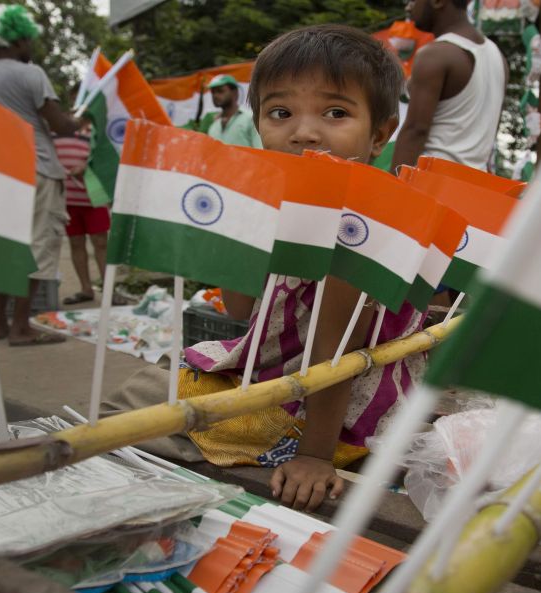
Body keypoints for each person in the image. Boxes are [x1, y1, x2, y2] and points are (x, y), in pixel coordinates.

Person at [175, 25, 423, 512]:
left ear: (378, 135)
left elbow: (336, 354)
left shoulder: (359, 227)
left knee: (190, 412)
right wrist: (239, 237)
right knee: (183, 380)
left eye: (335, 113)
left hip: (344, 390)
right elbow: (246, 309)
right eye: (281, 113)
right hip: (291, 364)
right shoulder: (284, 208)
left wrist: (315, 456)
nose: (304, 132)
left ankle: (315, 444)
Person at [0, 3, 82, 346]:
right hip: (37, 168)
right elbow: (59, 126)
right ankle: (21, 326)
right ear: (18, 39)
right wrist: (77, 122)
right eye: (28, 39)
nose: (30, 46)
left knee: (0, 249)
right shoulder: (31, 74)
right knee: (35, 247)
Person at [390, 0, 507, 171]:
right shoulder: (498, 57)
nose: (408, 7)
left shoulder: (435, 55)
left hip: (431, 181)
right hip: (473, 185)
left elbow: (416, 130)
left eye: (413, 1)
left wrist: (392, 190)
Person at [54, 120, 110, 305]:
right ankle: (86, 288)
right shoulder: (54, 132)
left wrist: (86, 167)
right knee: (76, 242)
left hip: (94, 196)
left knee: (101, 242)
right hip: (68, 198)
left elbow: (102, 155)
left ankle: (109, 290)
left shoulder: (94, 132)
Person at [204, 74, 262, 148]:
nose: (215, 95)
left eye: (220, 91)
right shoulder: (213, 126)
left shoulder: (250, 119)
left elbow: (261, 152)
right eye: (213, 92)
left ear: (235, 92)